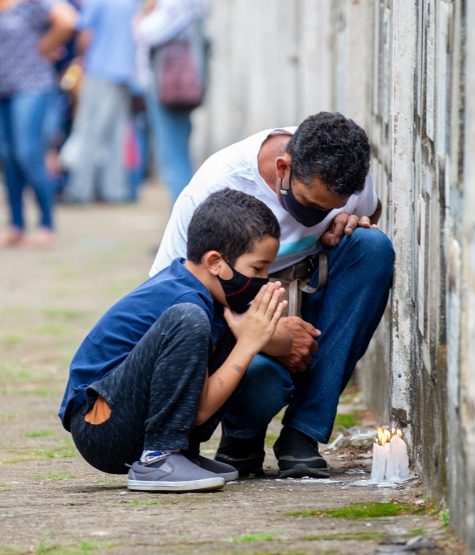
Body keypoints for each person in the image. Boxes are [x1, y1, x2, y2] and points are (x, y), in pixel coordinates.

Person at [151, 111, 395, 479]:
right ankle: (242, 437)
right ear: (283, 167)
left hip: (310, 298)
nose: (319, 216)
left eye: (333, 208)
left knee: (372, 248)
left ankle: (303, 434)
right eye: (310, 205)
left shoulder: (349, 172)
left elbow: (369, 212)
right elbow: (171, 295)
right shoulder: (217, 186)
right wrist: (269, 337)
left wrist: (349, 224)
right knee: (262, 375)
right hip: (237, 320)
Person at [59, 188, 289, 492]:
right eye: (258, 268)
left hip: (123, 418)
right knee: (194, 321)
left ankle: (181, 452)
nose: (265, 278)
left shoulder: (211, 293)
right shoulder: (185, 302)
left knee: (236, 329)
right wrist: (249, 342)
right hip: (100, 426)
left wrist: (257, 331)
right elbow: (202, 409)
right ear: (215, 262)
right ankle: (158, 457)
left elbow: (286, 343)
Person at [0, 0, 77, 247]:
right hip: (5, 89)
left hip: (31, 86)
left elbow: (68, 19)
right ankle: (17, 225)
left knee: (27, 152)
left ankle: (46, 224)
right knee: (7, 156)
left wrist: (45, 47)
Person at [60, 0, 137, 203]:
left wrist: (80, 58)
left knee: (89, 131)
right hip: (126, 72)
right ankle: (115, 190)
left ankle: (80, 190)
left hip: (100, 70)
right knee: (117, 134)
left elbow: (85, 33)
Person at [134, 0, 206, 204]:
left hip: (168, 85)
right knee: (177, 150)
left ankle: (184, 215)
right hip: (178, 84)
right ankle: (187, 211)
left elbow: (147, 32)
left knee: (172, 154)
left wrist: (145, 15)